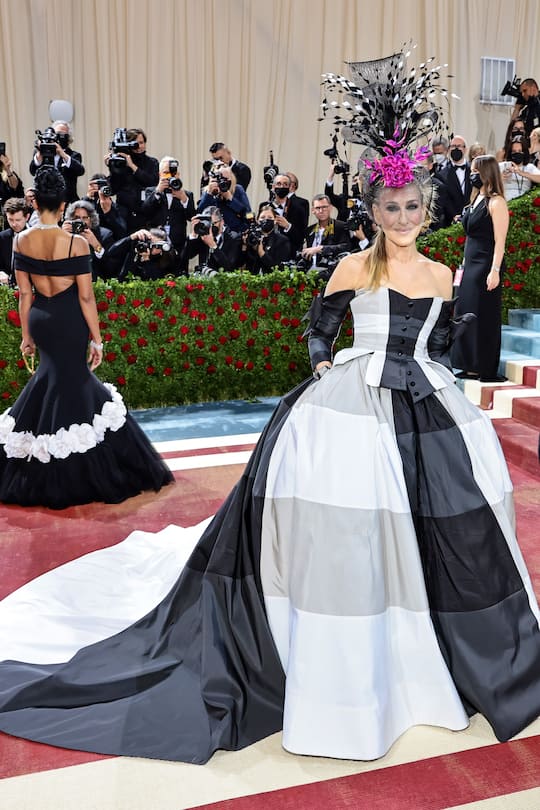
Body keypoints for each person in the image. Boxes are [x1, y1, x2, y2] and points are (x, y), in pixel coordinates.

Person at [0, 74, 539, 770]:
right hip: (352, 405)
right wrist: (322, 367)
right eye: (391, 206)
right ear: (374, 210)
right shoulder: (350, 266)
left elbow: (440, 342)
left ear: (426, 209)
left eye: (412, 206)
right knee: (352, 531)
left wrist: (441, 364)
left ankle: (430, 650)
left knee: (446, 528)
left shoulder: (442, 277)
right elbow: (321, 332)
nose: (403, 216)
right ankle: (355, 657)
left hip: (429, 408)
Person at [0, 166, 173, 509]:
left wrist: (26, 336)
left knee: (56, 383)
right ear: (63, 204)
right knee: (74, 385)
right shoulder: (76, 242)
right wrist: (97, 339)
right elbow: (85, 297)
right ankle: (82, 471)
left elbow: (24, 294)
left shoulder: (21, 240)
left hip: (41, 321)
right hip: (69, 321)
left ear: (36, 205)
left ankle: (46, 459)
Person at [451, 155, 509, 382]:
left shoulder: (497, 202)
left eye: (475, 170)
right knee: (465, 312)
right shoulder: (476, 199)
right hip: (469, 265)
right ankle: (468, 364)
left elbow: (500, 241)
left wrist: (494, 270)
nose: (471, 173)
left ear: (486, 172)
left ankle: (484, 366)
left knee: (483, 314)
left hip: (486, 265)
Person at [29, 121, 85, 203]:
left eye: (62, 135)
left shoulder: (74, 155)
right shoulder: (42, 153)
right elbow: (33, 171)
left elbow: (80, 171)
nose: (59, 138)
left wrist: (62, 154)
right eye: (57, 134)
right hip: (45, 200)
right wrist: (40, 153)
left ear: (68, 138)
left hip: (67, 201)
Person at [62, 199, 116, 281]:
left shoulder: (105, 235)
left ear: (91, 219)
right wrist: (61, 236)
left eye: (85, 218)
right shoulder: (64, 234)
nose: (80, 221)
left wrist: (96, 245)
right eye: (76, 217)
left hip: (95, 282)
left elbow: (110, 268)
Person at [197, 164, 250, 232]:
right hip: (214, 234)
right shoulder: (208, 191)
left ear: (231, 178)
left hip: (236, 233)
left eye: (225, 179)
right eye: (219, 179)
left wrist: (231, 199)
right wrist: (209, 194)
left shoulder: (237, 190)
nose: (223, 182)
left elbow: (249, 215)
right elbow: (199, 214)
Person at [241, 205, 291, 273]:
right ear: (257, 220)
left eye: (270, 217)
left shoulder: (282, 240)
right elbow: (240, 263)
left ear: (275, 220)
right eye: (262, 217)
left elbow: (278, 268)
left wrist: (261, 252)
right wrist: (244, 245)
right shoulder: (252, 237)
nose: (266, 220)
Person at [498, 136, 540, 201]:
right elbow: (489, 184)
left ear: (524, 152)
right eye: (514, 151)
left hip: (523, 202)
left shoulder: (529, 167)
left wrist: (522, 173)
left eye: (520, 151)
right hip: (505, 200)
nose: (517, 153)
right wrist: (500, 178)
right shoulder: (502, 165)